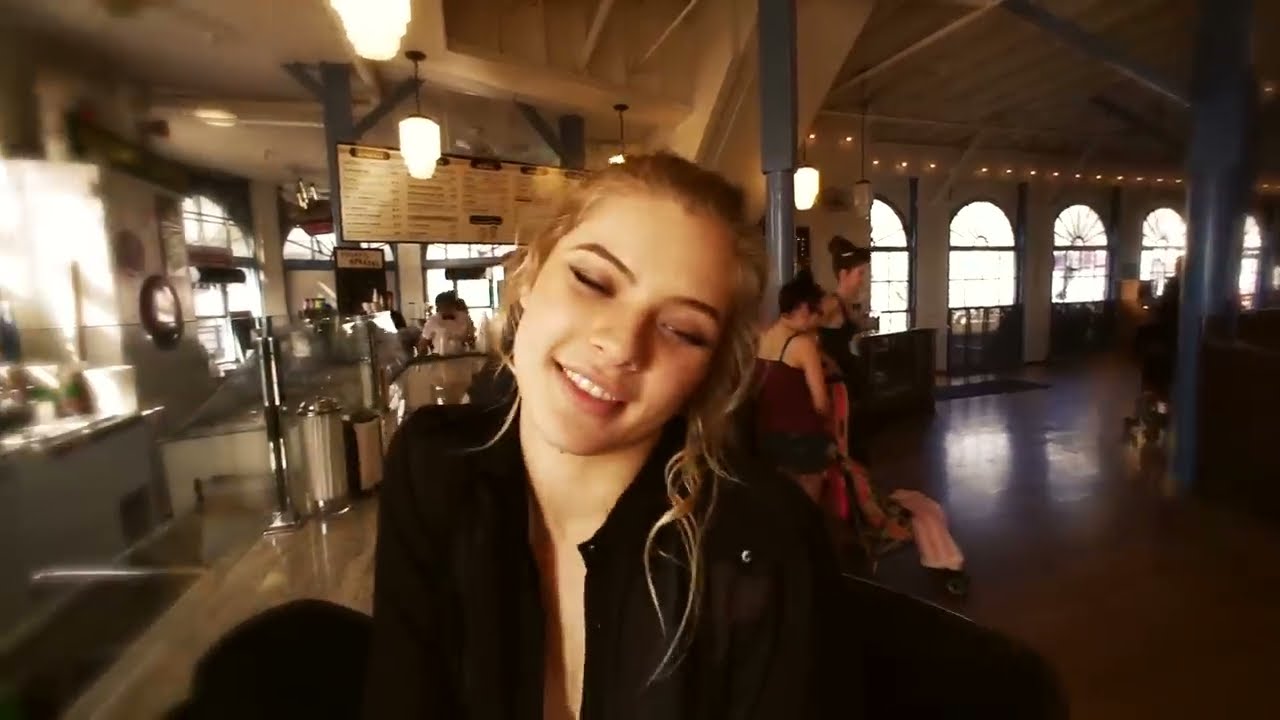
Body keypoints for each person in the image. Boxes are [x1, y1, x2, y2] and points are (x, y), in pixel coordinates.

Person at [364, 153, 858, 718]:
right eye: (593, 281)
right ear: (529, 276)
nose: (622, 346)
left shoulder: (764, 547)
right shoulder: (434, 465)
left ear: (709, 372)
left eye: (682, 330)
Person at [754, 272, 832, 503]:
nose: (817, 320)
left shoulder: (761, 338)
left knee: (779, 507)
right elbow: (821, 403)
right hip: (803, 443)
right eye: (816, 312)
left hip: (767, 439)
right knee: (806, 510)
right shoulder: (803, 345)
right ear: (804, 308)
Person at [817, 236, 873, 464]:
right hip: (837, 383)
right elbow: (806, 333)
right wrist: (827, 362)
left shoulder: (845, 304)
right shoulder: (830, 304)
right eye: (859, 273)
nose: (862, 279)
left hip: (850, 380)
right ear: (843, 274)